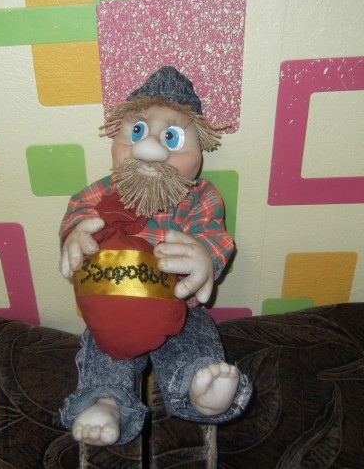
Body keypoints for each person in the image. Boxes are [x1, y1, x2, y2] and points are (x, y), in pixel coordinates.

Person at [58, 66, 253, 446]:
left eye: (171, 137)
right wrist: (74, 238)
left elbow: (214, 237)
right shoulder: (100, 192)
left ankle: (198, 388)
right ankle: (107, 401)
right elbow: (77, 217)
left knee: (195, 345)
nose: (149, 149)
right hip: (113, 311)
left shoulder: (200, 196)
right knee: (102, 356)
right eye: (136, 131)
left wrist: (203, 259)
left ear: (199, 152)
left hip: (181, 311)